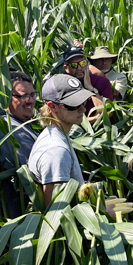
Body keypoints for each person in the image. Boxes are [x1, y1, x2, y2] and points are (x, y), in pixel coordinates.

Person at [28, 74, 94, 206]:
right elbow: (56, 213)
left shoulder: (58, 135)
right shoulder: (56, 151)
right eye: (73, 105)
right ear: (52, 106)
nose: (83, 109)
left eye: (83, 102)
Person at [0, 72, 40, 217]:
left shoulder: (22, 123)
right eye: (22, 96)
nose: (29, 101)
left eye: (32, 94)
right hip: (22, 213)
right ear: (6, 97)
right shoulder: (11, 130)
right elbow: (34, 171)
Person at [62, 46, 113, 122]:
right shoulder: (63, 86)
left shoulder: (102, 81)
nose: (79, 68)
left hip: (101, 133)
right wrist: (95, 118)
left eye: (82, 63)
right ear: (66, 68)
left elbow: (107, 113)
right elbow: (65, 119)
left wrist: (90, 88)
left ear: (87, 63)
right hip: (72, 133)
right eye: (74, 65)